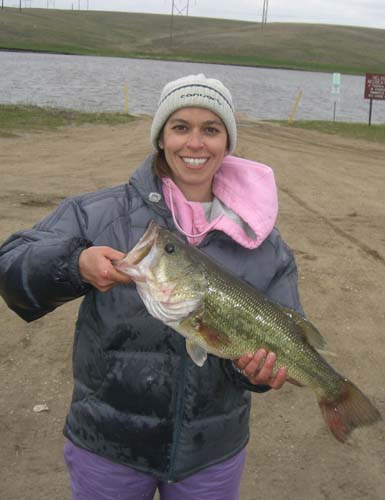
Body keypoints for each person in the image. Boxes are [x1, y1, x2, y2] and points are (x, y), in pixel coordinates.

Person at [0, 74, 304, 500]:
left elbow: (286, 341)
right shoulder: (99, 214)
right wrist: (75, 265)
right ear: (161, 137)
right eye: (180, 127)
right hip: (107, 446)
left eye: (211, 129)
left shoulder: (266, 244)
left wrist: (258, 373)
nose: (195, 143)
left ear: (227, 143)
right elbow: (11, 269)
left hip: (210, 453)